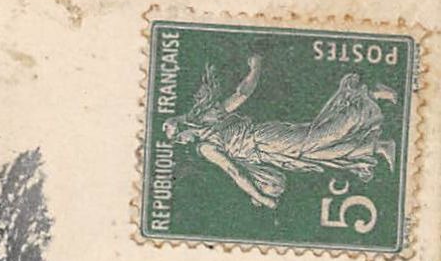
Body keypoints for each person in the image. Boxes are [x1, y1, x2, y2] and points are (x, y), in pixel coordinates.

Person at [163, 57, 398, 210]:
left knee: (319, 138)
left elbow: (235, 172)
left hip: (264, 139)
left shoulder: (205, 144)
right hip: (268, 153)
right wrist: (256, 68)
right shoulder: (208, 124)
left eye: (179, 139)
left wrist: (256, 68)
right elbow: (241, 95)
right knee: (320, 154)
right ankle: (380, 146)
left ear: (184, 129)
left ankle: (368, 95)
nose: (183, 143)